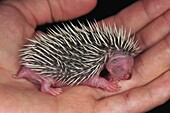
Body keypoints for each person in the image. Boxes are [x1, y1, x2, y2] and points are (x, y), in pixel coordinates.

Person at [0, 0, 169, 112]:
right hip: (42, 66)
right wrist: (102, 82)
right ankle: (44, 84)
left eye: (127, 69)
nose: (127, 74)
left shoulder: (98, 55)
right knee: (53, 74)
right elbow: (89, 78)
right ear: (111, 57)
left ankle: (30, 73)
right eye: (122, 67)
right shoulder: (90, 61)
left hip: (35, 58)